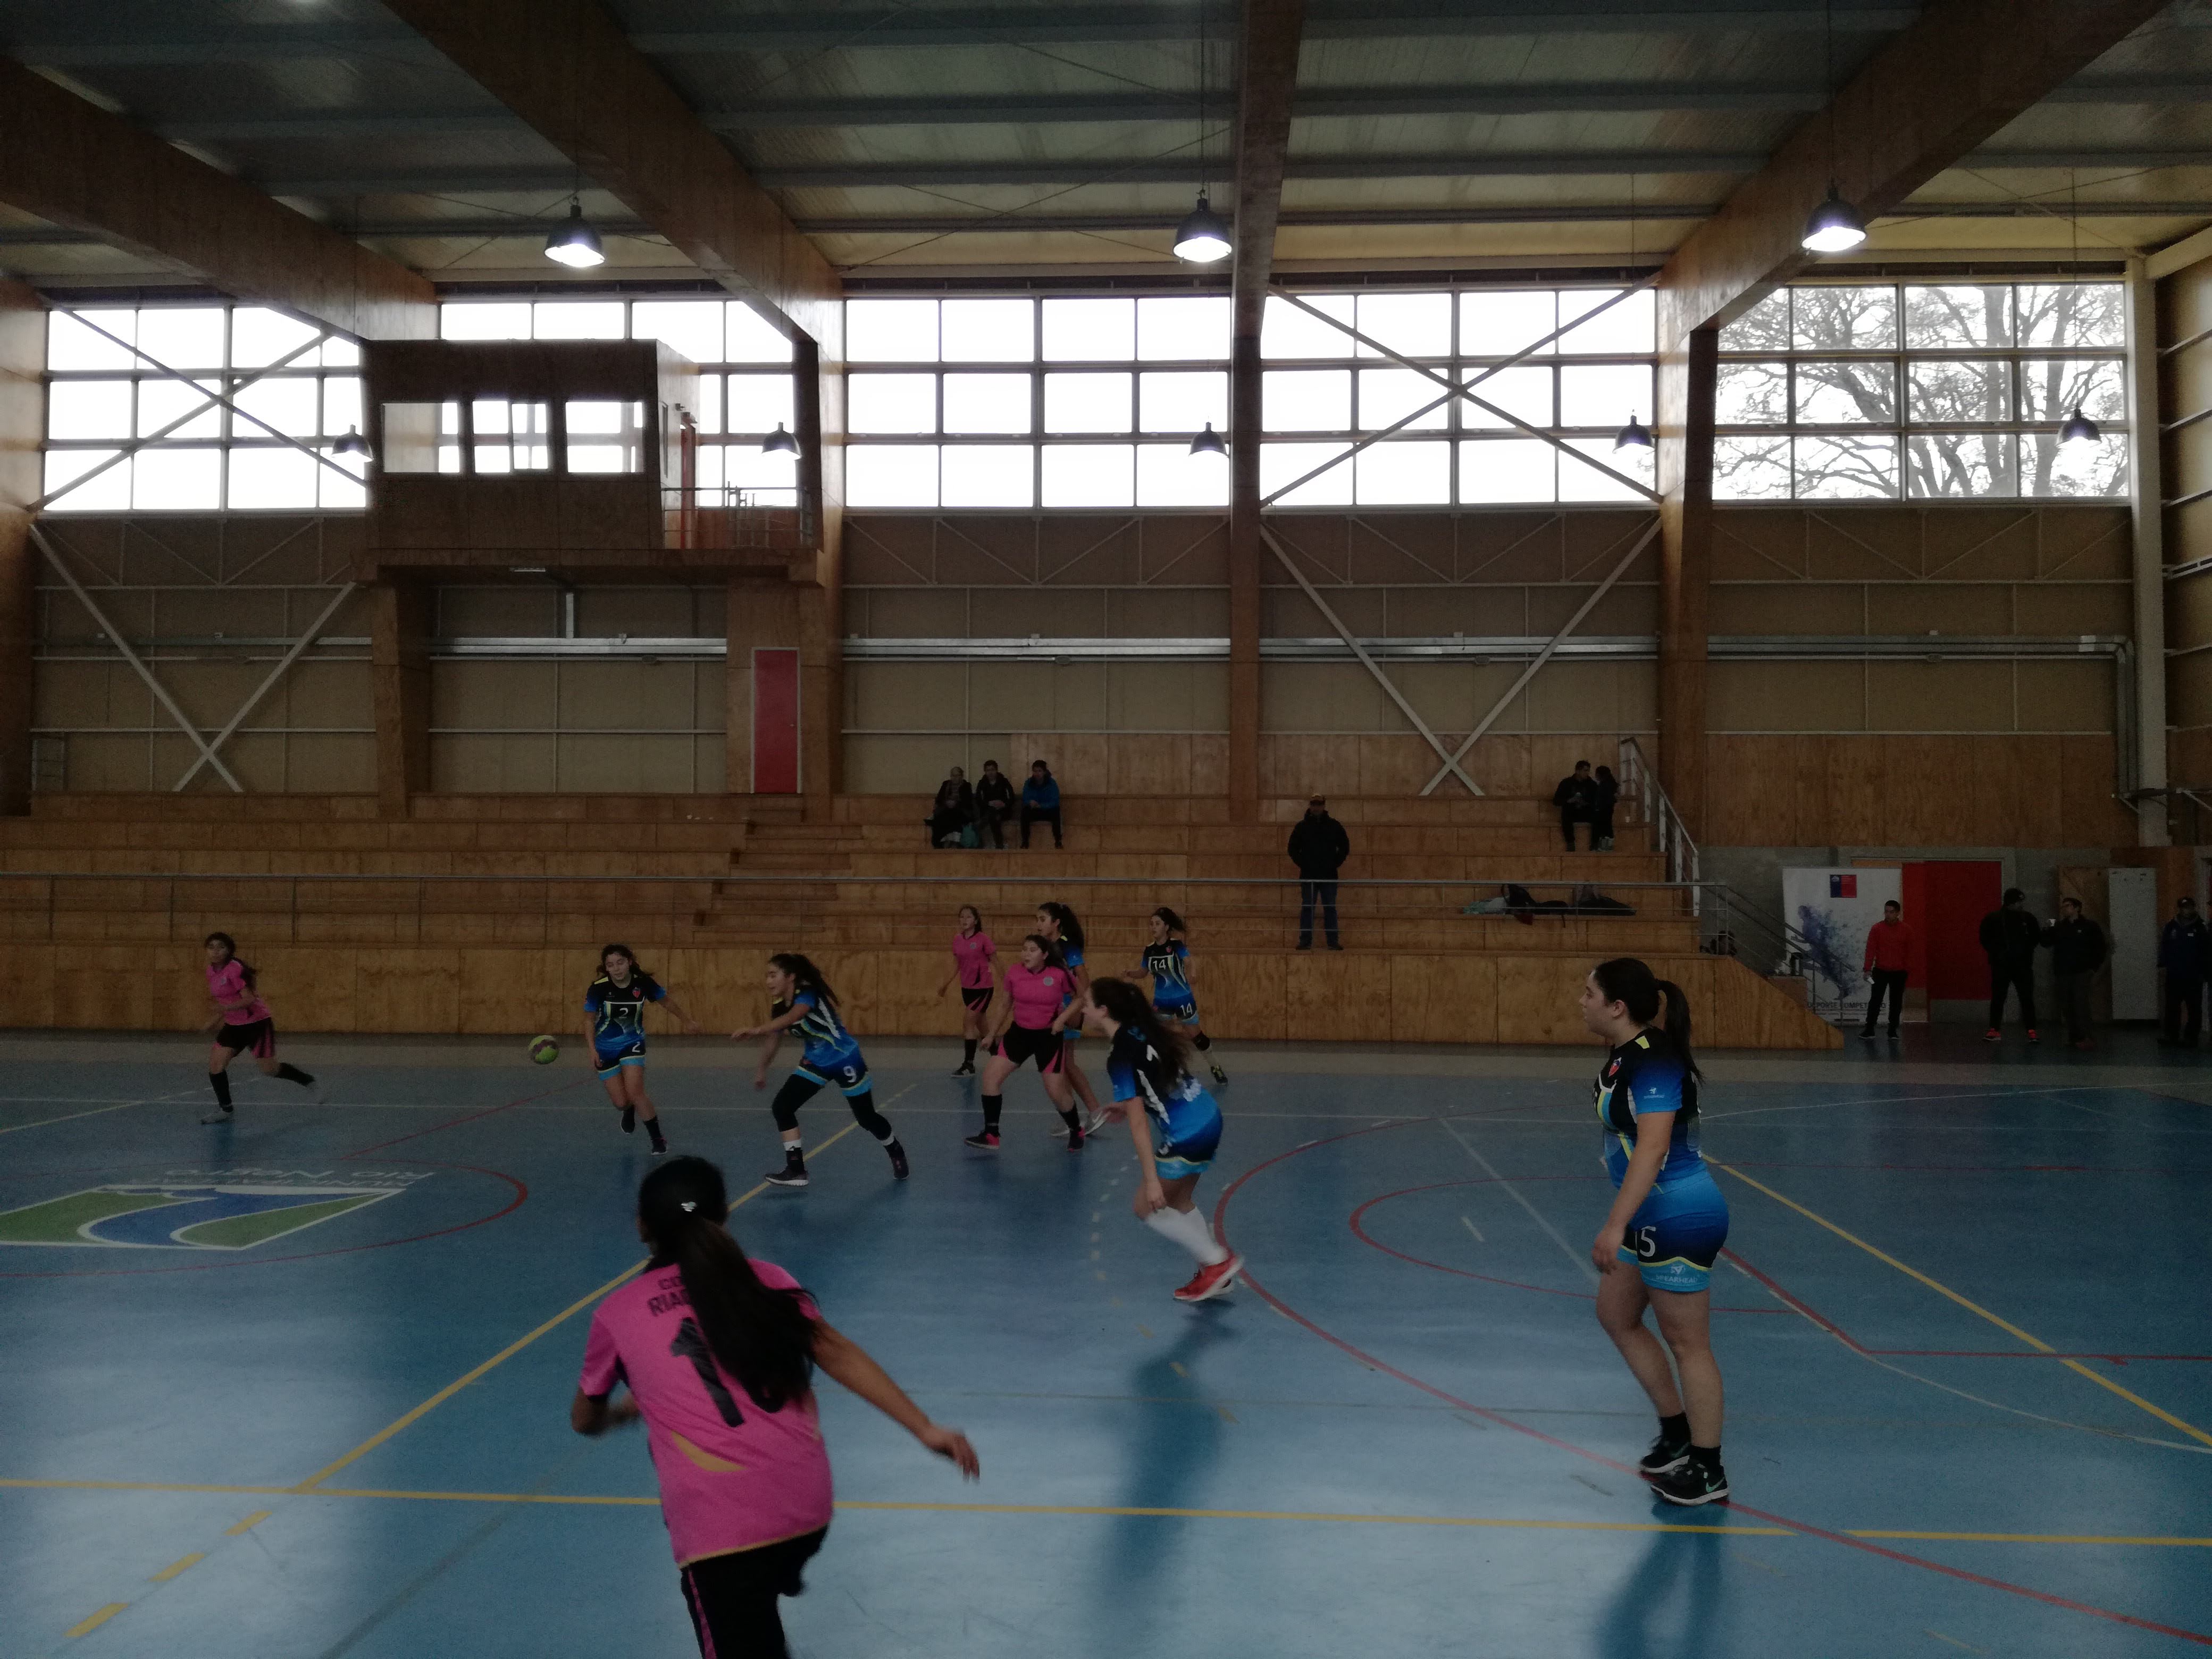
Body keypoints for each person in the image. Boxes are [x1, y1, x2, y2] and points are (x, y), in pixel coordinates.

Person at [572, 1157, 978, 1659]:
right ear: (724, 1216)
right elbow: (837, 1352)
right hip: (807, 1512)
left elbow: (584, 1419)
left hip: (723, 1535)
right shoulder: (769, 1280)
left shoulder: (618, 1312)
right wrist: (924, 1428)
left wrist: (619, 1414)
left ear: (641, 1227)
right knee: (761, 1601)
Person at [1580, 957, 1730, 1507]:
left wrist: (1614, 1223)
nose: (1581, 1002)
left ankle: (1708, 1470)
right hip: (1650, 1211)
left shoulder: (1655, 1060)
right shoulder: (1627, 1054)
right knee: (1616, 1315)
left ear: (1617, 1007)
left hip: (1679, 1213)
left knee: (1689, 1344)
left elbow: (1653, 1146)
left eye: (1589, 994)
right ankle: (1676, 1432)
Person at [1082, 976, 1243, 1302]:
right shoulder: (1140, 1030)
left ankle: (1216, 1262)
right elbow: (1156, 1083)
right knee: (1180, 1201)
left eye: (1086, 1004)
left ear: (1103, 1010)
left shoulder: (1120, 1056)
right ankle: (1215, 1275)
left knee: (1145, 1206)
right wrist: (1126, 1105)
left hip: (1188, 1133)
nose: (1082, 1009)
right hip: (1207, 1115)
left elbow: (1139, 1124)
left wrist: (1152, 1180)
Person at [733, 953, 908, 1188]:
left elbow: (795, 1016)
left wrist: (755, 1030)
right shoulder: (778, 1006)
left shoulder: (807, 993)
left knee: (866, 1118)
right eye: (767, 976)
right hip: (815, 1061)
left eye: (773, 975)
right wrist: (762, 1069)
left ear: (790, 977)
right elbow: (774, 1037)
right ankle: (797, 1170)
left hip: (844, 1058)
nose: (768, 981)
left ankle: (894, 1148)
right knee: (782, 1107)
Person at [966, 934, 1083, 1150]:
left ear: (1044, 955)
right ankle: (992, 1135)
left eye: (1032, 950)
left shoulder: (1059, 974)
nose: (1026, 954)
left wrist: (1062, 1020)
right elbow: (1005, 1004)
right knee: (990, 1077)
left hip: (1048, 1037)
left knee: (1056, 1092)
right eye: (1024, 949)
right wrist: (991, 1034)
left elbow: (1080, 998)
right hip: (1019, 1034)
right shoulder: (1014, 973)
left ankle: (1076, 1129)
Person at [585, 944, 701, 1154]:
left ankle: (658, 1139)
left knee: (635, 1091)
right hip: (605, 1048)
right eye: (611, 965)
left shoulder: (643, 983)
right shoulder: (598, 988)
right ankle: (628, 1109)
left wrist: (687, 1021)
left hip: (633, 1042)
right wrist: (592, 1050)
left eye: (620, 963)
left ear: (629, 962)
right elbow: (588, 1020)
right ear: (606, 968)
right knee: (621, 1102)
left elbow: (667, 1002)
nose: (617, 968)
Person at [198, 932, 319, 1124]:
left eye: (221, 947)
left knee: (270, 1070)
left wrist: (224, 1009)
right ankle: (226, 1110)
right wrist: (216, 1019)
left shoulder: (235, 969)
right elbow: (226, 1000)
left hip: (257, 1024)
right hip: (233, 1026)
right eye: (211, 947)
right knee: (216, 1066)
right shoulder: (211, 972)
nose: (216, 951)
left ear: (229, 950)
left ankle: (307, 1080)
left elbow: (249, 1000)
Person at [1130, 906, 1227, 1086]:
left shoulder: (1176, 946)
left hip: (1182, 998)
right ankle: (1178, 1071)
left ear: (1166, 927)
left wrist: (1193, 973)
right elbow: (1143, 972)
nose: (1153, 927)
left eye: (1157, 924)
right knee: (1162, 1038)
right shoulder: (1149, 950)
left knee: (1196, 1036)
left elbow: (1189, 961)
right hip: (1161, 1001)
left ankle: (1215, 1066)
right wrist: (1130, 974)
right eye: (1151, 924)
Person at [1036, 901, 1108, 1129]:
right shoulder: (1046, 947)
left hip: (1067, 1010)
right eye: (1037, 920)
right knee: (1061, 1065)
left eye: (1043, 920)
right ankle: (1072, 1117)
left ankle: (1095, 1110)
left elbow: (1083, 979)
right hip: (1053, 1011)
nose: (1038, 924)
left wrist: (1076, 1008)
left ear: (1056, 923)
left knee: (1067, 1063)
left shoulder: (1067, 946)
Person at [937, 905, 996, 1075]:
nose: (964, 920)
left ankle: (969, 1064)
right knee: (983, 1027)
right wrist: (945, 984)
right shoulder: (958, 940)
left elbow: (996, 960)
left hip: (983, 988)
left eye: (968, 917)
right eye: (962, 917)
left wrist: (1009, 982)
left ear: (976, 921)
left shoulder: (983, 939)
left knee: (968, 1022)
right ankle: (999, 1057)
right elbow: (957, 965)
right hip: (967, 989)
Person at [2043, 896, 2107, 1051]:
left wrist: (2093, 968)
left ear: (2077, 908)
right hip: (2063, 972)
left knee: (2081, 1004)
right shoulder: (2059, 927)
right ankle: (2074, 1037)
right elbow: (2045, 943)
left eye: (2068, 906)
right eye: (2063, 906)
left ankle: (2087, 1037)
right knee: (2067, 1005)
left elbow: (2100, 947)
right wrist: (2048, 929)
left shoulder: (2089, 926)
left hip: (2081, 971)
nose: (2065, 909)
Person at [1287, 793, 1349, 951]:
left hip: (1329, 875)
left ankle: (1333, 941)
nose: (1316, 807)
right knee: (1308, 908)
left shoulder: (1334, 826)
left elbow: (1345, 846)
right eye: (1314, 804)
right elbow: (1292, 848)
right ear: (1310, 805)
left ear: (1324, 805)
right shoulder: (1302, 827)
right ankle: (1305, 941)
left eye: (1319, 804)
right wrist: (1304, 864)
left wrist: (1334, 864)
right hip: (1309, 876)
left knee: (1330, 908)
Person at [1979, 887, 2041, 1043]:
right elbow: (1985, 939)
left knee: (2025, 998)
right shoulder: (1994, 919)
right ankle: (1996, 1029)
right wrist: (1999, 954)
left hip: (2020, 965)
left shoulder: (2027, 918)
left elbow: (2035, 938)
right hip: (2004, 965)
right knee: (2000, 997)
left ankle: (2030, 1030)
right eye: (2019, 901)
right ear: (2011, 902)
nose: (2022, 904)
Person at [1859, 898, 1914, 1040]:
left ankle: (1892, 1030)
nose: (1888, 915)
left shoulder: (1906, 930)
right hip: (1880, 970)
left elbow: (1910, 951)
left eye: (1891, 912)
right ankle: (1870, 1029)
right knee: (1875, 1000)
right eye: (1886, 912)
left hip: (1899, 972)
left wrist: (1907, 969)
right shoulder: (1877, 929)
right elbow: (1870, 950)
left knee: (1896, 1002)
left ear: (1898, 913)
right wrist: (1867, 969)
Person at [2159, 894, 2209, 1046]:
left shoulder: (2201, 927)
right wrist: (2163, 966)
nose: (2186, 910)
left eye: (2189, 908)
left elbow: (2206, 952)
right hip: (2174, 974)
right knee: (2172, 1006)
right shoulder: (2171, 926)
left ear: (2194, 908)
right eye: (2184, 908)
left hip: (2194, 975)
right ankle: (2171, 1035)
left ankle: (2191, 1037)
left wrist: (2204, 972)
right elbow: (2164, 947)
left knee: (2194, 1007)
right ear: (2180, 909)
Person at [1554, 760, 1599, 852]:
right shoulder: (1566, 783)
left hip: (1586, 811)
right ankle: (1570, 843)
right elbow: (1556, 801)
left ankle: (1595, 844)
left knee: (1599, 816)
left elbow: (1597, 801)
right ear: (1578, 771)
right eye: (1585, 771)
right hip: (1572, 812)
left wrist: (1585, 803)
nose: (1587, 773)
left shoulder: (1592, 784)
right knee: (1566, 814)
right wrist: (1569, 801)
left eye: (1588, 771)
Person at [926, 766, 974, 848]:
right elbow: (939, 799)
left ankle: (952, 842)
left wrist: (956, 803)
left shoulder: (966, 786)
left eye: (957, 775)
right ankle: (942, 842)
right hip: (946, 810)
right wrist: (947, 803)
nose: (955, 778)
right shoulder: (946, 785)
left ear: (962, 776)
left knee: (953, 816)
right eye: (953, 776)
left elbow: (968, 802)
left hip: (961, 811)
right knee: (942, 818)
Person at [1020, 760, 1062, 849]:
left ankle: (1058, 841)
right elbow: (1025, 799)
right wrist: (1030, 802)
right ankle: (1025, 841)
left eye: (1040, 771)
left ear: (1044, 772)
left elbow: (1055, 802)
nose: (1037, 774)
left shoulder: (1052, 783)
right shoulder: (1029, 783)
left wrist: (1041, 806)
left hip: (1047, 811)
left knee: (1056, 812)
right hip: (1034, 811)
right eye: (1035, 771)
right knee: (1025, 812)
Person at [973, 759, 1015, 849]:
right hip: (988, 809)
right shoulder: (982, 783)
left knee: (992, 817)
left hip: (1004, 810)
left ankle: (998, 843)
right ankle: (999, 844)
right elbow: (978, 800)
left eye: (992, 770)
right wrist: (989, 803)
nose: (990, 773)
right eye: (988, 770)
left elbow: (1012, 798)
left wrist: (1004, 804)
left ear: (996, 770)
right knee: (993, 816)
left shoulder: (1004, 781)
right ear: (985, 772)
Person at [1591, 764, 1620, 852]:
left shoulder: (1604, 786)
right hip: (1608, 809)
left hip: (1603, 810)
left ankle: (1600, 846)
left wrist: (1597, 808)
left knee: (1601, 828)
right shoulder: (1611, 785)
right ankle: (1607, 846)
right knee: (1608, 827)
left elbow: (1601, 799)